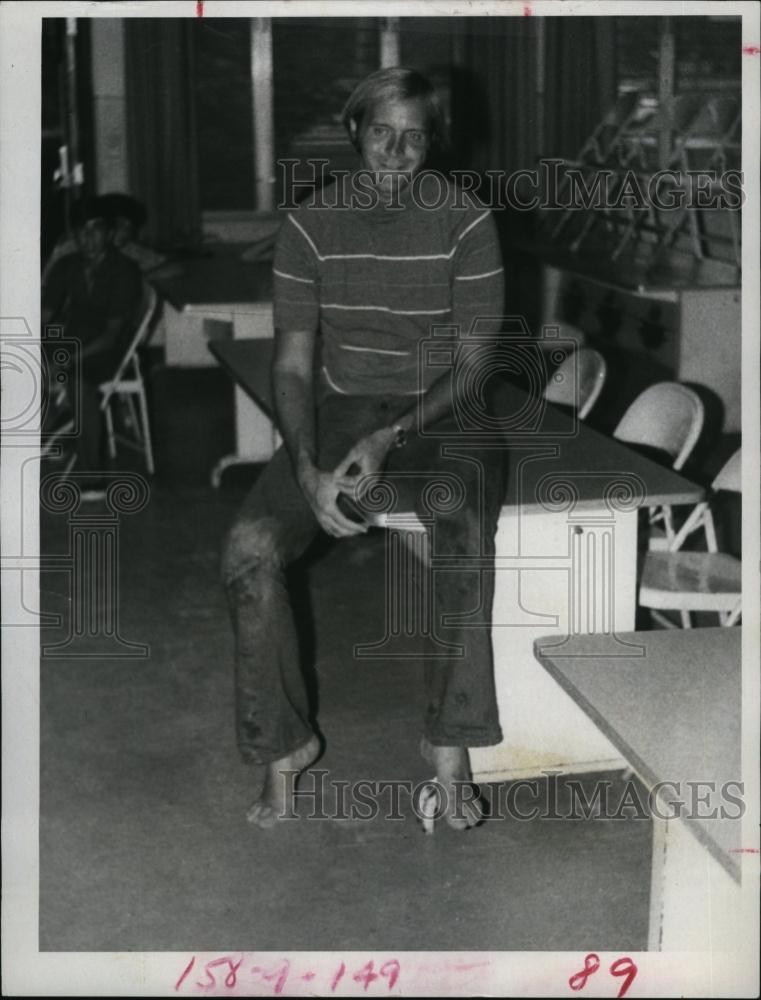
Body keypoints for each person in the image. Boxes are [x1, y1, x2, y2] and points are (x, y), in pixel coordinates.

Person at [222, 68, 507, 831]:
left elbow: (477, 363)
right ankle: (285, 750)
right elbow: (290, 364)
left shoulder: (468, 220)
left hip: (448, 415)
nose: (397, 150)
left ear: (431, 141)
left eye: (414, 135)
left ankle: (450, 753)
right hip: (343, 408)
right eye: (382, 131)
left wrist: (392, 436)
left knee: (462, 534)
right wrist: (308, 469)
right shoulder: (311, 226)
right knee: (250, 550)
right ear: (355, 132)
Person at [41, 197, 143, 494]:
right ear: (74, 235)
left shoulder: (124, 271)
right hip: (73, 339)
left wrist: (66, 359)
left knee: (76, 381)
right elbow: (44, 316)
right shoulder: (66, 266)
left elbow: (111, 337)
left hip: (107, 350)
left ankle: (92, 474)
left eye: (96, 230)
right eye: (81, 231)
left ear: (109, 233)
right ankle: (45, 431)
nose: (88, 239)